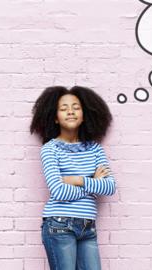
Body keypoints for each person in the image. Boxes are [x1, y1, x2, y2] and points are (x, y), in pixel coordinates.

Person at [29, 85, 116, 270]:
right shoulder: (50, 149)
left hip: (88, 227)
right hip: (59, 225)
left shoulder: (95, 149)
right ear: (55, 117)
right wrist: (93, 181)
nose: (70, 112)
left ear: (84, 115)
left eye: (76, 107)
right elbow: (58, 191)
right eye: (63, 108)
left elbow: (109, 187)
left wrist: (78, 179)